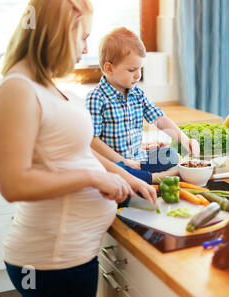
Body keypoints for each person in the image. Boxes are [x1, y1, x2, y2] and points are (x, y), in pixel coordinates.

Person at [0, 0, 156, 297]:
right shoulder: (17, 88)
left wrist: (126, 175)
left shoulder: (44, 84)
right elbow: (12, 184)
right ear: (58, 31)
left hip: (73, 254)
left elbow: (80, 150)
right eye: (82, 36)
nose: (85, 48)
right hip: (50, 261)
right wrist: (92, 179)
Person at [86, 27, 200, 185]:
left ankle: (144, 177)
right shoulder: (96, 98)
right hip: (115, 164)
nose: (138, 75)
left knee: (170, 155)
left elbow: (159, 118)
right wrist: (123, 161)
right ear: (109, 68)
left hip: (138, 159)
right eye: (132, 69)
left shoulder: (137, 93)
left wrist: (185, 140)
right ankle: (155, 178)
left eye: (140, 68)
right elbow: (93, 141)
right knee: (117, 174)